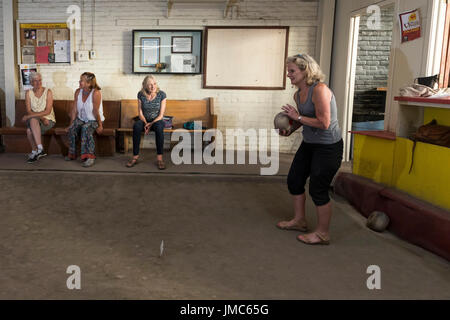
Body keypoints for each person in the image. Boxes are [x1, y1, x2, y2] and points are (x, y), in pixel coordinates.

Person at [276, 53, 343, 245]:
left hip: (328, 147)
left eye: (292, 71)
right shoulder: (298, 94)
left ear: (306, 70)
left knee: (318, 189)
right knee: (294, 180)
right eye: (288, 71)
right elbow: (303, 119)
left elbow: (323, 122)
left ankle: (322, 234)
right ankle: (299, 221)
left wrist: (296, 118)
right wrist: (290, 129)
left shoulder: (319, 90)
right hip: (310, 144)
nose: (288, 74)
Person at [126, 75, 167, 170]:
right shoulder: (140, 94)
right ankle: (135, 157)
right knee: (136, 126)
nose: (153, 87)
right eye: (150, 85)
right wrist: (145, 123)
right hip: (144, 120)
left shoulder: (162, 95)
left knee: (160, 128)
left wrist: (150, 124)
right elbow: (140, 112)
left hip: (157, 121)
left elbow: (161, 115)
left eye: (154, 84)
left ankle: (160, 159)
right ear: (144, 86)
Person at [65, 72, 104, 167]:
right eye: (80, 80)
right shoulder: (78, 92)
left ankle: (90, 157)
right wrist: (71, 124)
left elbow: (95, 111)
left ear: (89, 83)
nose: (79, 82)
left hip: (94, 119)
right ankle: (72, 154)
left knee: (85, 129)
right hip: (81, 118)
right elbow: (74, 109)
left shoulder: (96, 93)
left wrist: (100, 125)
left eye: (81, 80)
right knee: (72, 129)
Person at [22, 72, 56, 163]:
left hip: (48, 119)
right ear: (31, 82)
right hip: (40, 119)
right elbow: (29, 110)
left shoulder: (48, 92)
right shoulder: (28, 93)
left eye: (40, 80)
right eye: (35, 81)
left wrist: (32, 116)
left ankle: (35, 151)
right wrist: (41, 118)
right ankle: (40, 150)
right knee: (32, 122)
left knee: (29, 130)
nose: (38, 83)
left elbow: (48, 111)